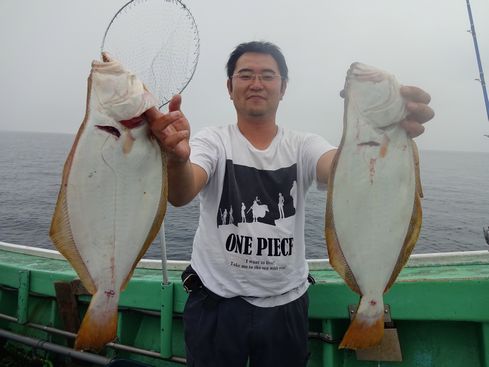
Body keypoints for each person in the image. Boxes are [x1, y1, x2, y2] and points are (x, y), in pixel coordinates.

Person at [144, 41, 434, 367]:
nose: (257, 83)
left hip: (287, 307)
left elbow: (337, 169)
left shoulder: (303, 145)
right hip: (215, 302)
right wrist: (175, 160)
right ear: (230, 87)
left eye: (268, 75)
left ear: (283, 88)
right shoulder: (212, 141)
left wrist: (386, 137)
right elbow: (182, 192)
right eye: (246, 75)